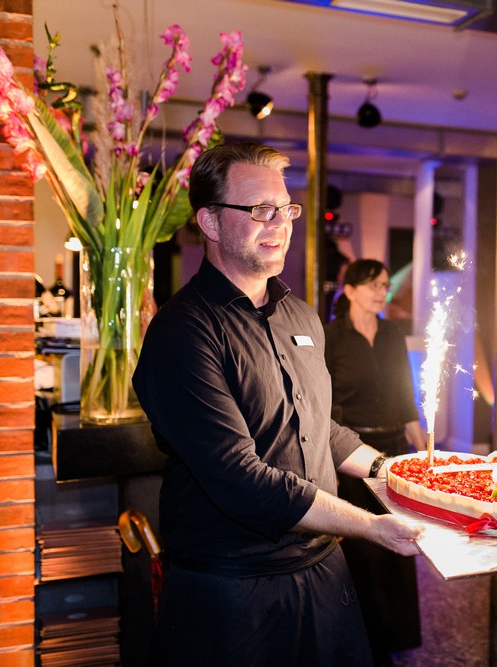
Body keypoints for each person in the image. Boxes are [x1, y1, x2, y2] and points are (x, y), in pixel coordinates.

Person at [131, 143, 421, 666]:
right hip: (234, 591)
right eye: (260, 210)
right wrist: (371, 524)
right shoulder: (183, 331)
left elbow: (318, 426)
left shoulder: (303, 317)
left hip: (325, 573)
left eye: (285, 209)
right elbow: (239, 478)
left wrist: (393, 472)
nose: (280, 223)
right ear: (210, 222)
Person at [325, 259, 425, 665]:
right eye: (372, 285)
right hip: (351, 454)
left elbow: (404, 395)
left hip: (394, 450)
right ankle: (366, 640)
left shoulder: (391, 334)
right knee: (363, 550)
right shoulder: (331, 335)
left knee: (401, 542)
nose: (382, 292)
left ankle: (397, 634)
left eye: (385, 285)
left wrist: (422, 447)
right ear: (349, 290)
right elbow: (324, 402)